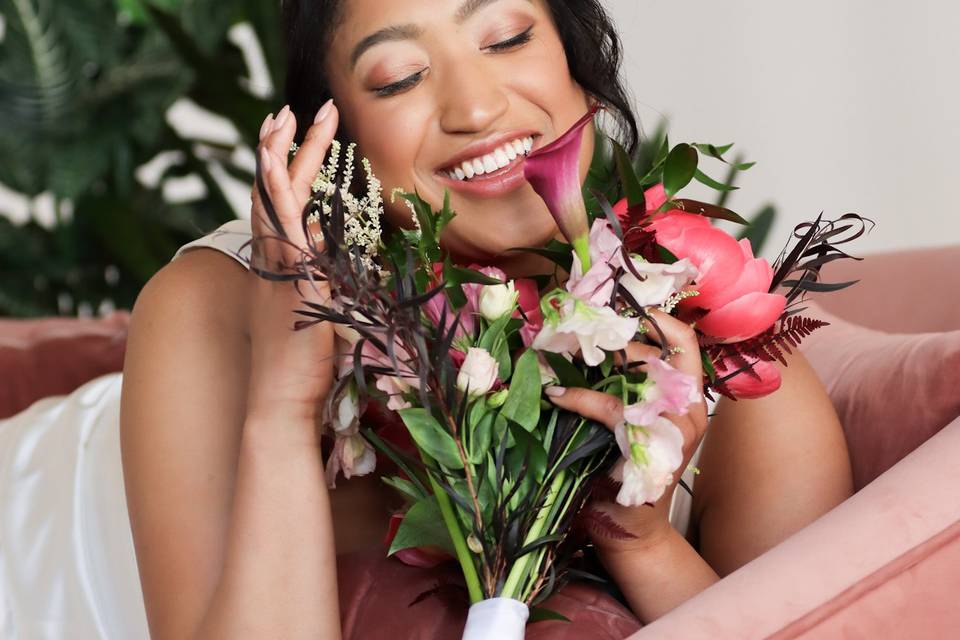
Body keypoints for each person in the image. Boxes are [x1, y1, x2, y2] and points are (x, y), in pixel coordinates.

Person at [119, 0, 854, 638]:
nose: (474, 108)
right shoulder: (219, 306)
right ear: (336, 131)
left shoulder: (726, 349)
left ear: (577, 55)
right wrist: (284, 405)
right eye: (399, 77)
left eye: (506, 37)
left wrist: (637, 540)